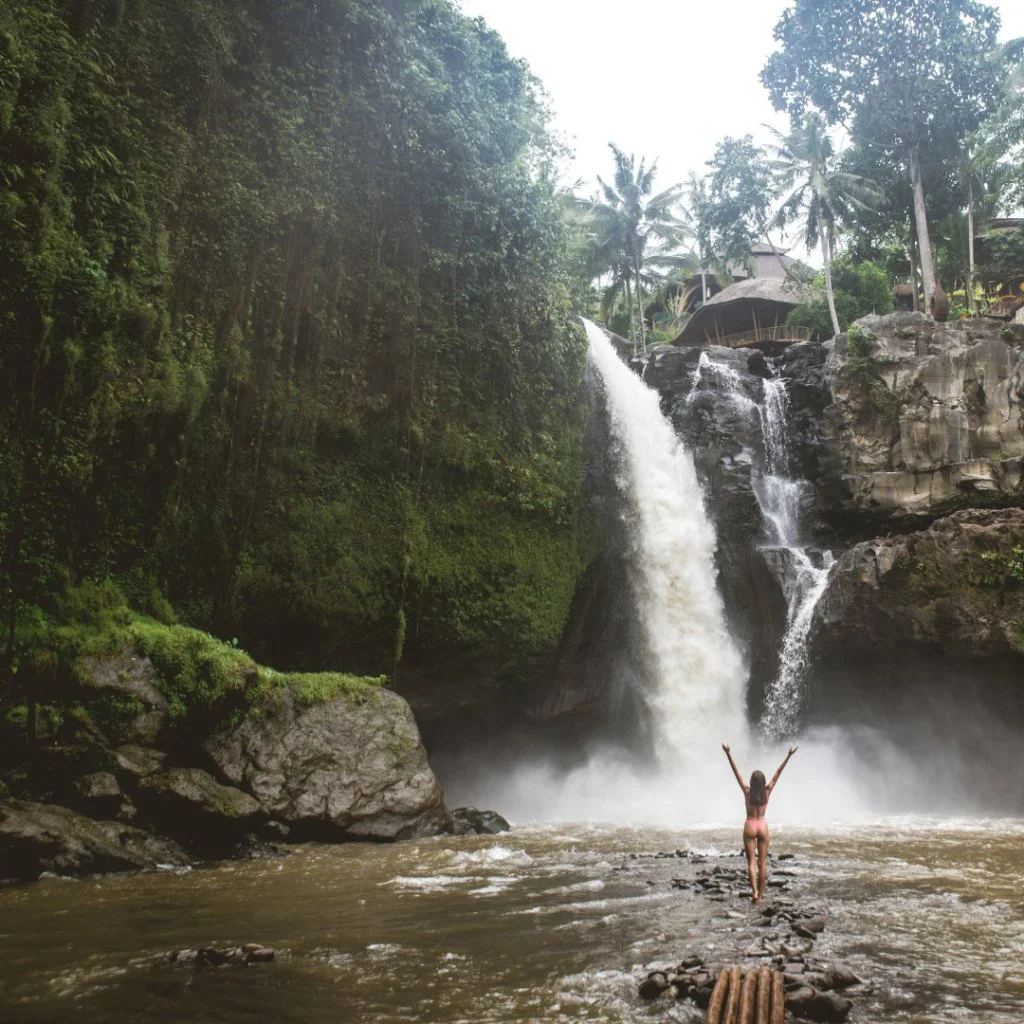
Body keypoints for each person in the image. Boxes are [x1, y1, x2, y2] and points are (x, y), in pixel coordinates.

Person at [721, 743, 798, 903]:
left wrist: (728, 753)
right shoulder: (767, 791)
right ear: (762, 782)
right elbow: (778, 772)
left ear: (751, 781)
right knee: (762, 863)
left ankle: (754, 892)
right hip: (762, 825)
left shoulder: (747, 791)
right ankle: (761, 895)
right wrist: (789, 756)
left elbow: (736, 772)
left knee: (751, 863)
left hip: (750, 825)